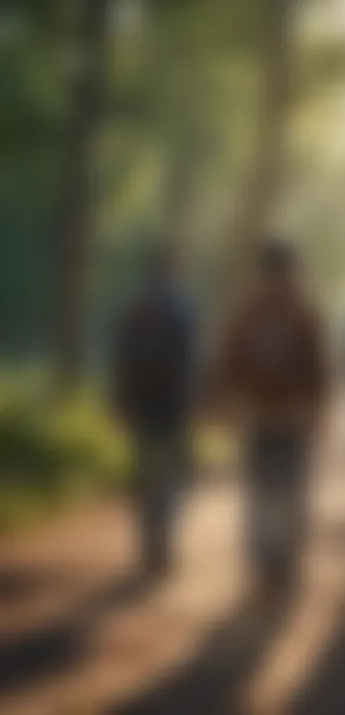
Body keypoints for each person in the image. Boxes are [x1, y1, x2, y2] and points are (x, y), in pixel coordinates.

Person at [211, 238, 328, 595]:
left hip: (275, 412)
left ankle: (276, 560)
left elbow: (317, 367)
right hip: (272, 413)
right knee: (273, 489)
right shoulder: (283, 312)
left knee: (276, 490)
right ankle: (271, 561)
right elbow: (230, 361)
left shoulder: (263, 311)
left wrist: (316, 408)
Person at [113, 244, 197, 579]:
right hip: (174, 403)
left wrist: (119, 398)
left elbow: (120, 356)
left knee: (145, 469)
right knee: (176, 471)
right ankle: (165, 537)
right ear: (174, 268)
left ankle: (148, 540)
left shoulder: (134, 307)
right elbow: (192, 358)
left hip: (141, 402)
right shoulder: (182, 306)